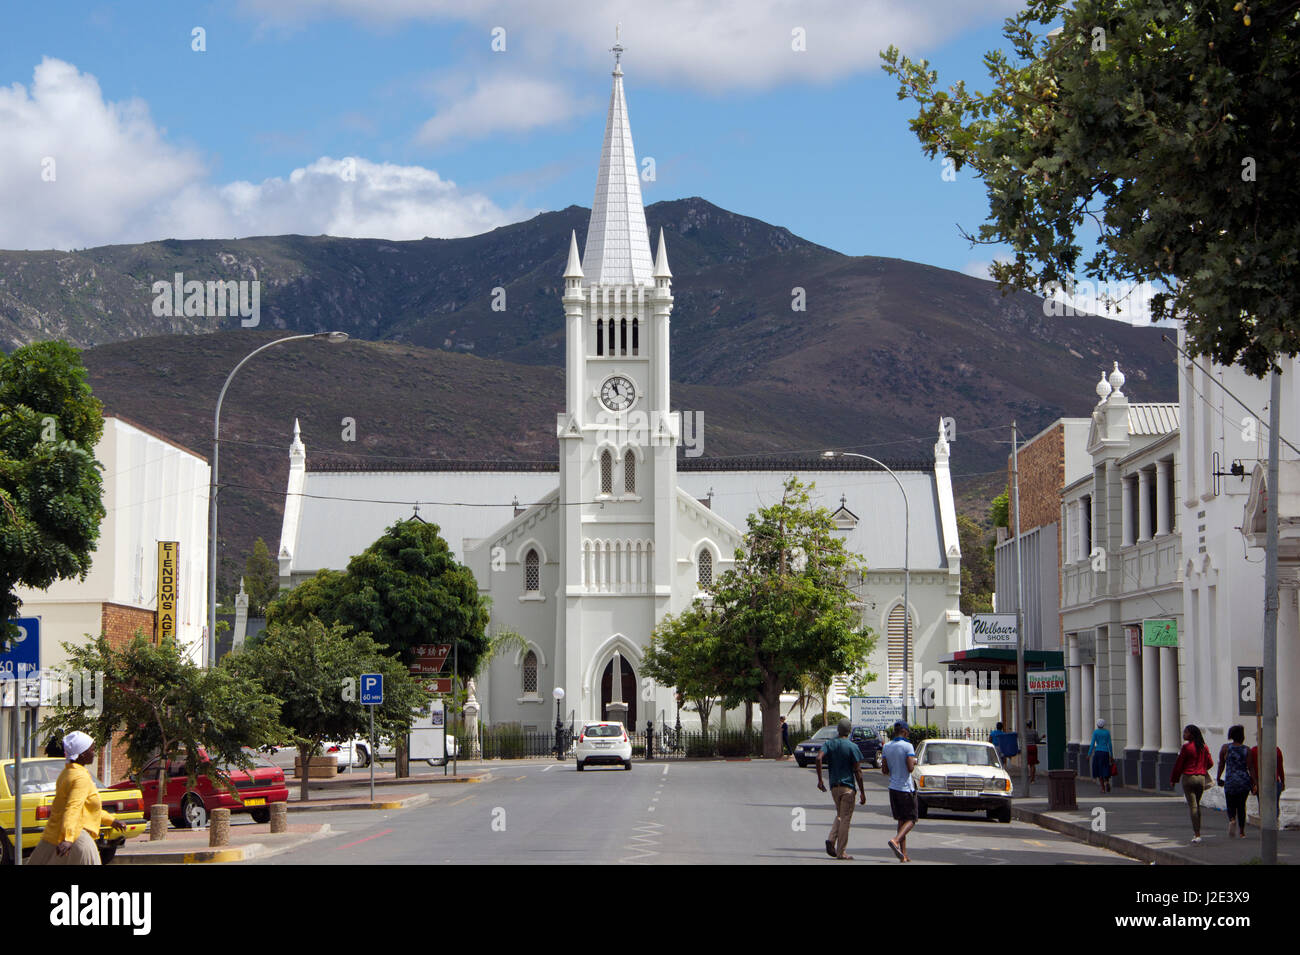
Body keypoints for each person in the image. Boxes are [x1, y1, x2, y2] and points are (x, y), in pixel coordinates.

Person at [28, 731, 125, 866]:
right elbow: (73, 808)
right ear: (82, 754)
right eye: (92, 750)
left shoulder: (67, 773)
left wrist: (111, 821)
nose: (94, 753)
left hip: (53, 834)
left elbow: (85, 809)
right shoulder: (80, 777)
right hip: (77, 836)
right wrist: (68, 838)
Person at [815, 718, 866, 860]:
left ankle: (831, 840)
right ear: (849, 731)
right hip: (847, 787)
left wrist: (820, 780)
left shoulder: (829, 743)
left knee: (840, 814)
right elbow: (858, 771)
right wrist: (862, 792)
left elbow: (818, 758)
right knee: (845, 819)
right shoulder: (852, 746)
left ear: (838, 730)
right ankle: (841, 851)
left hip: (834, 787)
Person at [1169, 724, 1214, 844]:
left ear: (1192, 734)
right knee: (1197, 805)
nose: (1184, 734)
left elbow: (1179, 765)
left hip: (1188, 778)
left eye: (1186, 732)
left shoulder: (1186, 747)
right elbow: (1210, 763)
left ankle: (1197, 833)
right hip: (1201, 778)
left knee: (1193, 806)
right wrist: (1202, 769)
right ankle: (1198, 831)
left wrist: (1174, 779)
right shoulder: (1204, 747)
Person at [881, 721, 918, 863]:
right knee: (912, 819)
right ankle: (895, 840)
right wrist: (913, 761)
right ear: (905, 732)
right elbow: (910, 768)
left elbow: (884, 770)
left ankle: (903, 855)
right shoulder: (908, 746)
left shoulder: (887, 746)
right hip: (905, 788)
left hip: (893, 788)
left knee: (901, 820)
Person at [1217, 724, 1252, 839]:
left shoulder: (1225, 748)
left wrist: (1218, 777)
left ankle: (1232, 819)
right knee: (1241, 806)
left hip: (1230, 779)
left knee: (1230, 803)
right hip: (1243, 780)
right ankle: (1242, 831)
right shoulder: (1247, 750)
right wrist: (1254, 782)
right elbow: (1250, 767)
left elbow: (1221, 764)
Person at [1249, 734, 1286, 821]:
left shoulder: (1254, 751)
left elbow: (1251, 769)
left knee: (1262, 806)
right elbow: (1280, 768)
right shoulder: (1276, 750)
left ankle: (1265, 822)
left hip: (1260, 782)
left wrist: (1253, 783)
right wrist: (1283, 781)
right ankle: (1273, 821)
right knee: (1274, 805)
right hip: (1274, 781)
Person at [1086, 718, 1113, 793]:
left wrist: (1089, 754)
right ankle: (1107, 781)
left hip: (1098, 752)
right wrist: (1111, 755)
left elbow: (1092, 744)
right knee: (1106, 768)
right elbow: (1110, 744)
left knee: (1099, 770)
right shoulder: (1107, 732)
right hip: (1105, 752)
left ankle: (1102, 788)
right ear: (1103, 725)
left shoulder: (1095, 732)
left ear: (1097, 725)